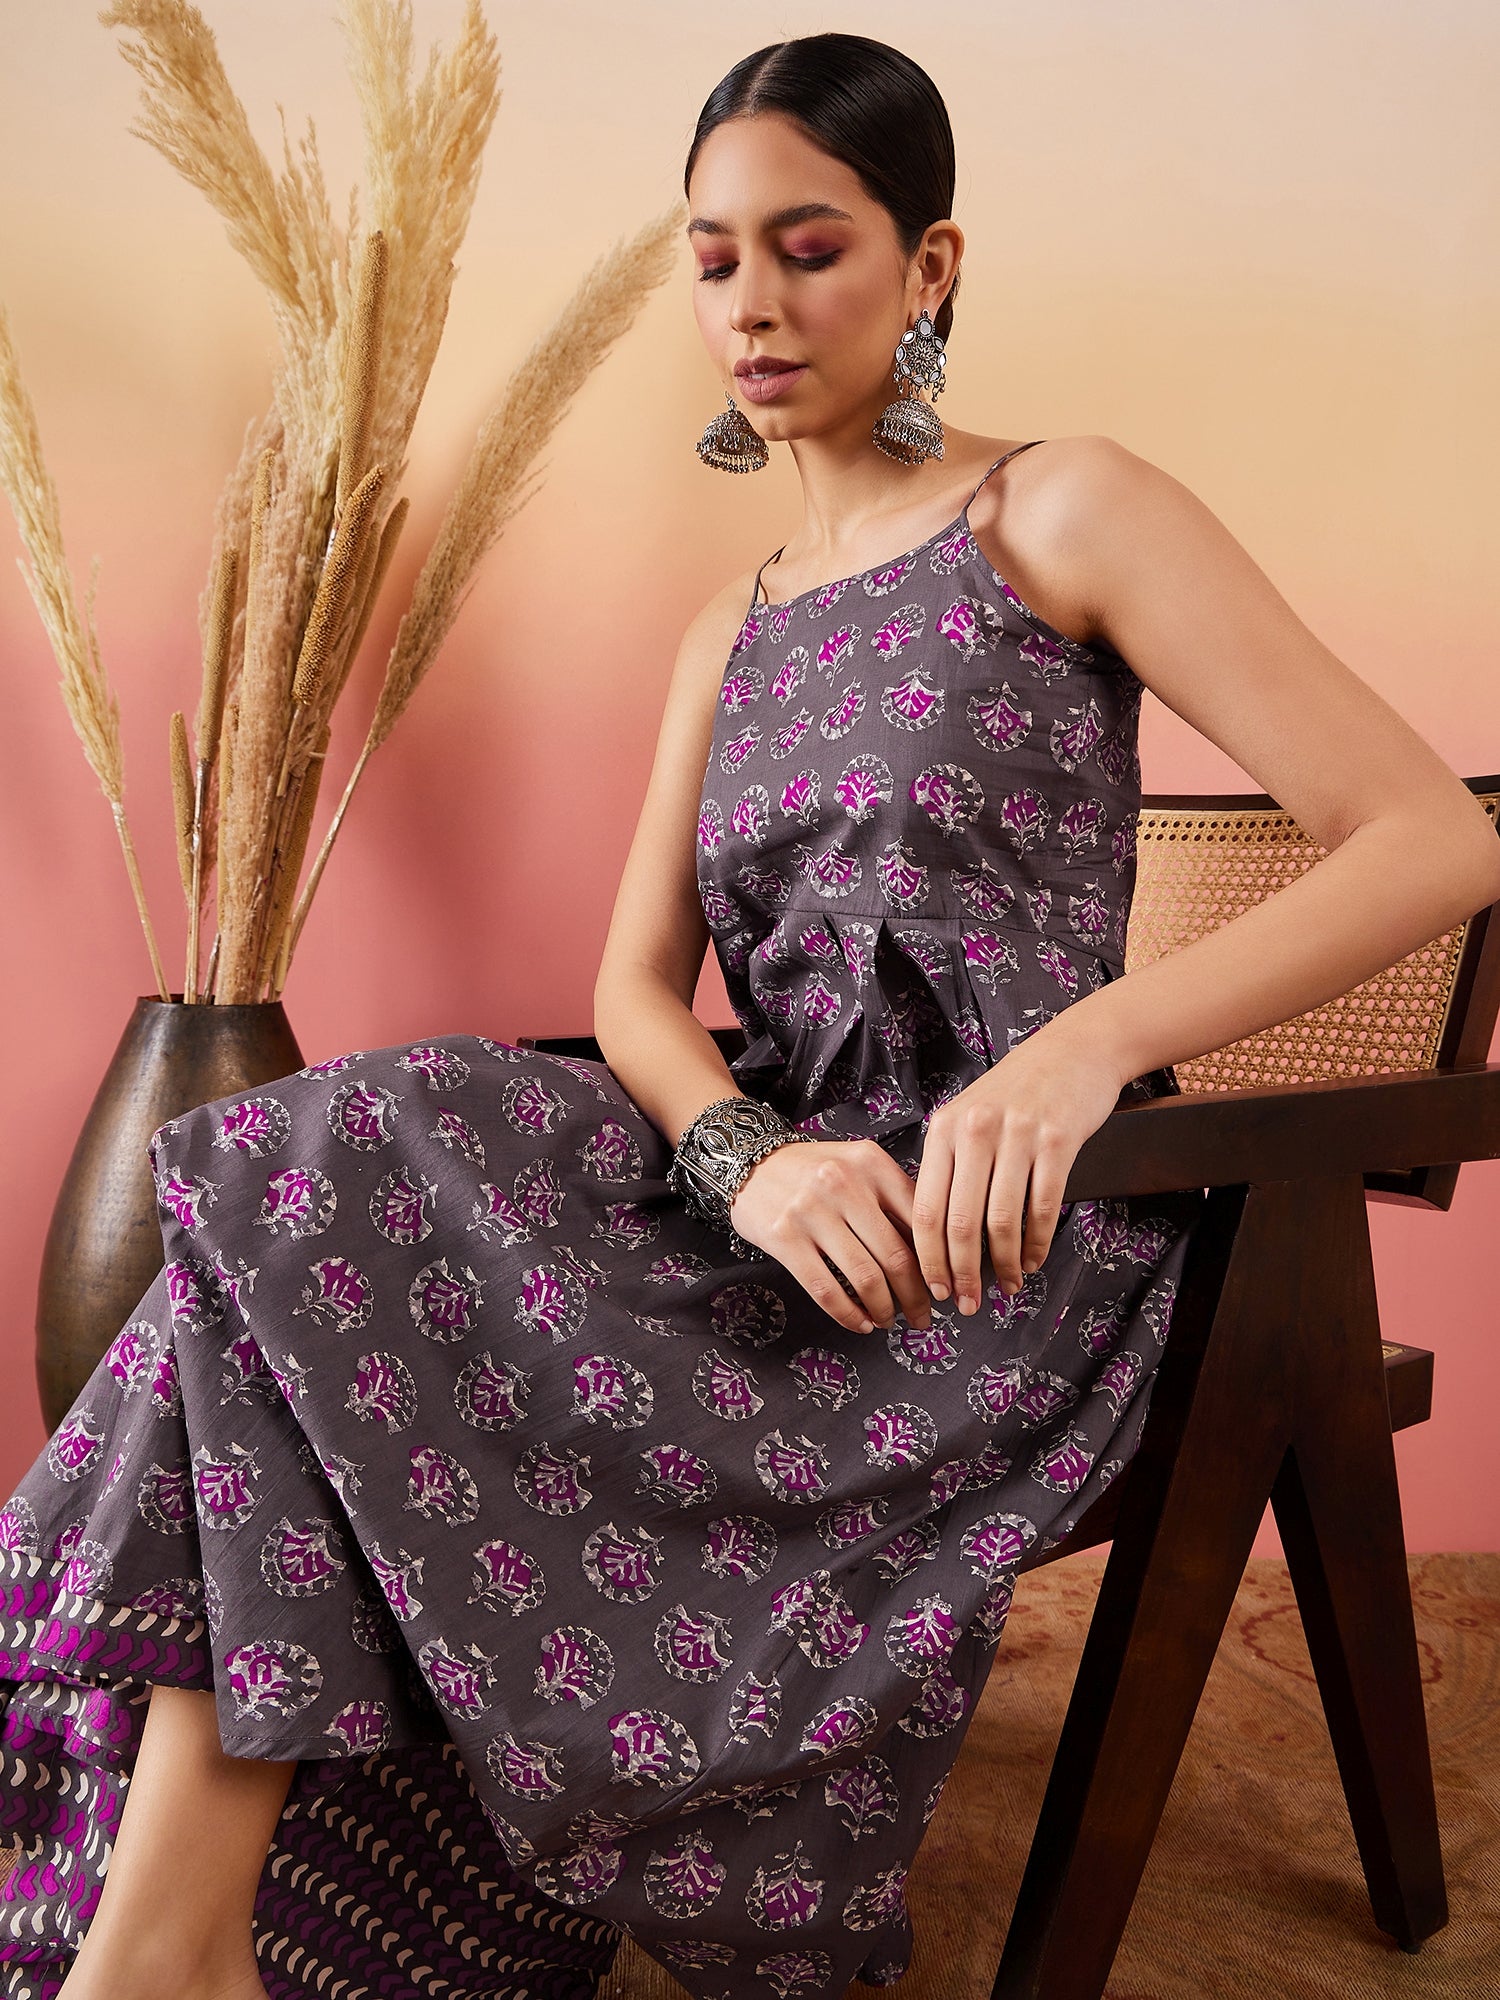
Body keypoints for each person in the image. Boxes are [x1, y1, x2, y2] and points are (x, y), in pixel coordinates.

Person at [4, 29, 1498, 2000]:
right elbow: (635, 990)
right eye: (714, 259)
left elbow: (1429, 840)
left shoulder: (1059, 508)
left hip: (986, 1245)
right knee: (323, 1173)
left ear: (928, 264)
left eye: (809, 246)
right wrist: (747, 1157)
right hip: (771, 1196)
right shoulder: (743, 619)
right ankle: (167, 1955)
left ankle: (158, 1958)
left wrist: (1087, 1045)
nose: (753, 304)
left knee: (300, 1258)